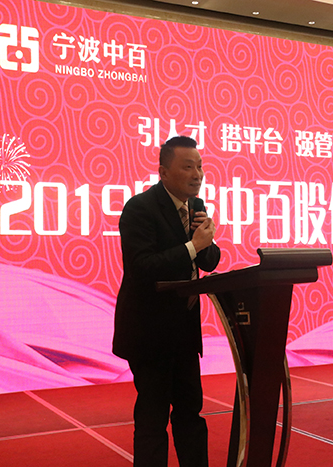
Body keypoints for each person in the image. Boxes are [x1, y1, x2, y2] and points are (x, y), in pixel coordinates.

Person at [113, 135, 220, 467]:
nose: (197, 174)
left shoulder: (195, 208)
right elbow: (143, 268)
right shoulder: (140, 208)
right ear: (163, 172)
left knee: (191, 413)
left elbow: (209, 262)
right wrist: (193, 245)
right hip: (150, 333)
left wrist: (206, 241)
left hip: (184, 334)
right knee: (153, 418)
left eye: (199, 166)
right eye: (187, 167)